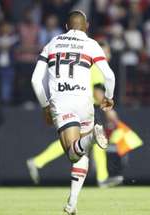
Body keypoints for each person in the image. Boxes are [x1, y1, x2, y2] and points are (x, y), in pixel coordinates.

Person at [31, 11, 115, 214]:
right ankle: (71, 204)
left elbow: (35, 79)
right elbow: (109, 75)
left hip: (62, 102)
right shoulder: (91, 44)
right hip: (84, 102)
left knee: (72, 154)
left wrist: (45, 106)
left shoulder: (52, 43)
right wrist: (108, 98)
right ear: (86, 26)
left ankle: (92, 138)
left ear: (67, 27)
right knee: (81, 153)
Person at [27, 41, 120, 187]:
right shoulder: (96, 68)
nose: (109, 54)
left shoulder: (87, 65)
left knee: (84, 142)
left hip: (74, 103)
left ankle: (38, 161)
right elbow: (97, 92)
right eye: (106, 51)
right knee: (93, 139)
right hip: (89, 107)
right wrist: (109, 109)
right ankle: (102, 178)